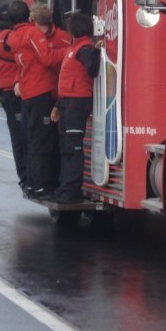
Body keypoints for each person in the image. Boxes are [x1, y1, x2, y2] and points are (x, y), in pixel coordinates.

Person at [5, 1, 70, 198]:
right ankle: (42, 185)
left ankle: (34, 184)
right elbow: (48, 59)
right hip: (40, 91)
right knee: (42, 141)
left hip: (30, 92)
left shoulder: (17, 36)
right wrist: (70, 51)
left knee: (32, 140)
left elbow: (22, 63)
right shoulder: (33, 34)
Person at [50, 13, 100, 204]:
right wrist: (58, 105)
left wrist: (96, 52)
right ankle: (65, 188)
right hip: (67, 102)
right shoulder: (74, 48)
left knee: (73, 148)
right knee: (65, 147)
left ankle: (71, 190)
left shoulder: (85, 48)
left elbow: (92, 70)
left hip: (77, 103)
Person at [0, 3, 28, 191]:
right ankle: (26, 175)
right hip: (14, 88)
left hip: (5, 89)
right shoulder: (10, 38)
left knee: (17, 135)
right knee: (23, 136)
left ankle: (24, 176)